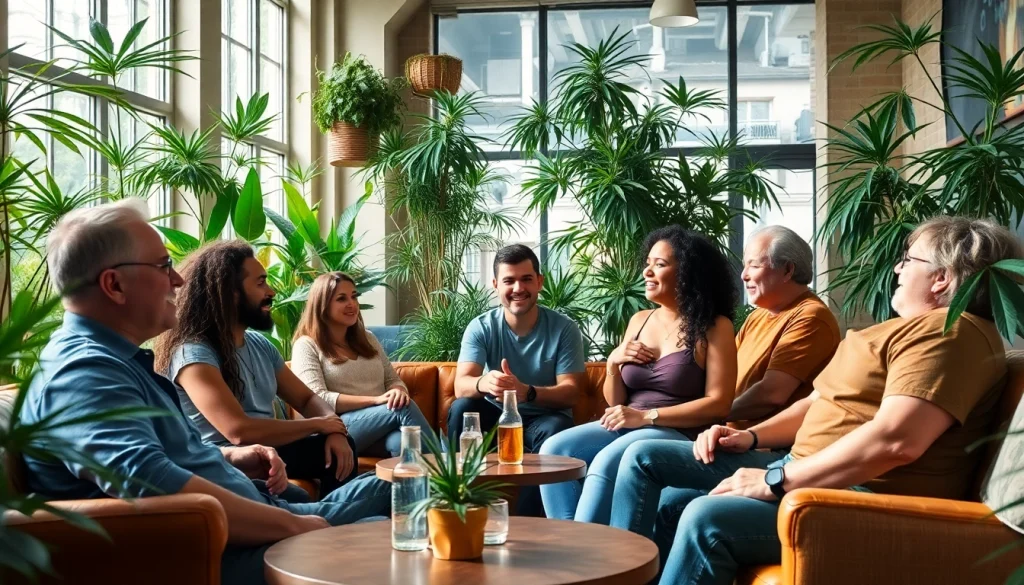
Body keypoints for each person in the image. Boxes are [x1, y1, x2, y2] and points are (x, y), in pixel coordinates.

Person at [606, 216, 1022, 585]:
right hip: (800, 465)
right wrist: (749, 438)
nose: (897, 267)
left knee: (703, 516)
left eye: (908, 259)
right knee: (659, 477)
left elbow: (898, 440)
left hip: (856, 495)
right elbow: (818, 401)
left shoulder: (951, 334)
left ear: (943, 278)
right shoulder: (907, 329)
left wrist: (774, 480)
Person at [20, 199, 390, 585]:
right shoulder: (82, 372)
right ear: (114, 284)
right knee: (393, 531)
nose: (178, 280)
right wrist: (294, 526)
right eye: (164, 267)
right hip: (213, 552)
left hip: (253, 512)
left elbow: (158, 457)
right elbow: (147, 479)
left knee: (406, 487)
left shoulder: (119, 362)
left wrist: (231, 457)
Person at [540, 226, 738, 523]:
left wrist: (647, 417)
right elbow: (615, 401)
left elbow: (719, 403)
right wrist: (612, 365)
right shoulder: (639, 320)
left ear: (688, 273)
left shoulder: (715, 327)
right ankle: (573, 544)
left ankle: (579, 551)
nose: (647, 271)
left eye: (659, 264)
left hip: (677, 431)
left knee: (608, 460)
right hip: (632, 422)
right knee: (554, 450)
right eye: (648, 263)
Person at [154, 241, 354, 499]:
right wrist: (320, 424)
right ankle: (330, 521)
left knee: (340, 448)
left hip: (268, 448)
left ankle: (338, 530)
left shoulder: (259, 345)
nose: (270, 291)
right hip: (226, 460)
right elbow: (238, 431)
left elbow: (307, 398)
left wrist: (335, 431)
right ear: (230, 293)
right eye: (260, 283)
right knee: (301, 497)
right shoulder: (193, 354)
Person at [448, 244, 586, 516]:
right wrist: (483, 382)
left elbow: (572, 392)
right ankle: (460, 505)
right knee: (462, 409)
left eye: (526, 279)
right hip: (495, 416)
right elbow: (460, 384)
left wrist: (528, 392)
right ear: (496, 285)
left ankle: (527, 521)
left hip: (543, 419)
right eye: (509, 281)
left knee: (556, 429)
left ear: (539, 282)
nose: (518, 288)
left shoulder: (564, 328)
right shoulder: (481, 326)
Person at [291, 272, 432, 457]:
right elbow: (318, 399)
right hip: (339, 429)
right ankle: (448, 469)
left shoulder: (368, 339)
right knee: (402, 408)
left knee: (403, 442)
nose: (351, 304)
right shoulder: (306, 345)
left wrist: (399, 391)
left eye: (354, 296)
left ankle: (416, 484)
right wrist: (376, 401)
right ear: (322, 305)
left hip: (381, 423)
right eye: (341, 299)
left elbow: (392, 380)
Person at [729, 226, 840, 425]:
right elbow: (725, 373)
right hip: (722, 436)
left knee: (654, 450)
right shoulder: (758, 316)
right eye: (745, 266)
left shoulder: (811, 317)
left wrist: (711, 416)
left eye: (754, 266)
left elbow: (771, 394)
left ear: (788, 270)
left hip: (763, 446)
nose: (743, 275)